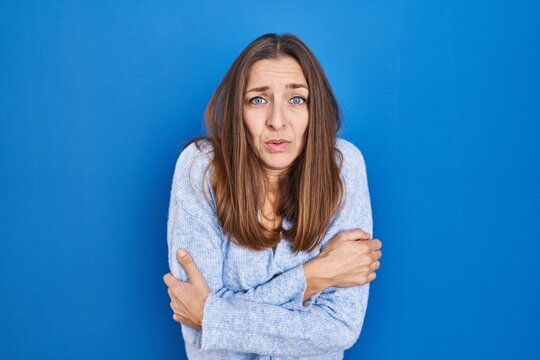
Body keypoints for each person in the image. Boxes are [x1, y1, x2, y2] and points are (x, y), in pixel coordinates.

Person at [162, 33, 382, 359]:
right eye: (258, 100)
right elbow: (203, 342)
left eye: (296, 100)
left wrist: (214, 315)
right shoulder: (200, 168)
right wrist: (314, 276)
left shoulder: (344, 166)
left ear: (314, 111)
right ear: (238, 111)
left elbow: (339, 327)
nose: (277, 121)